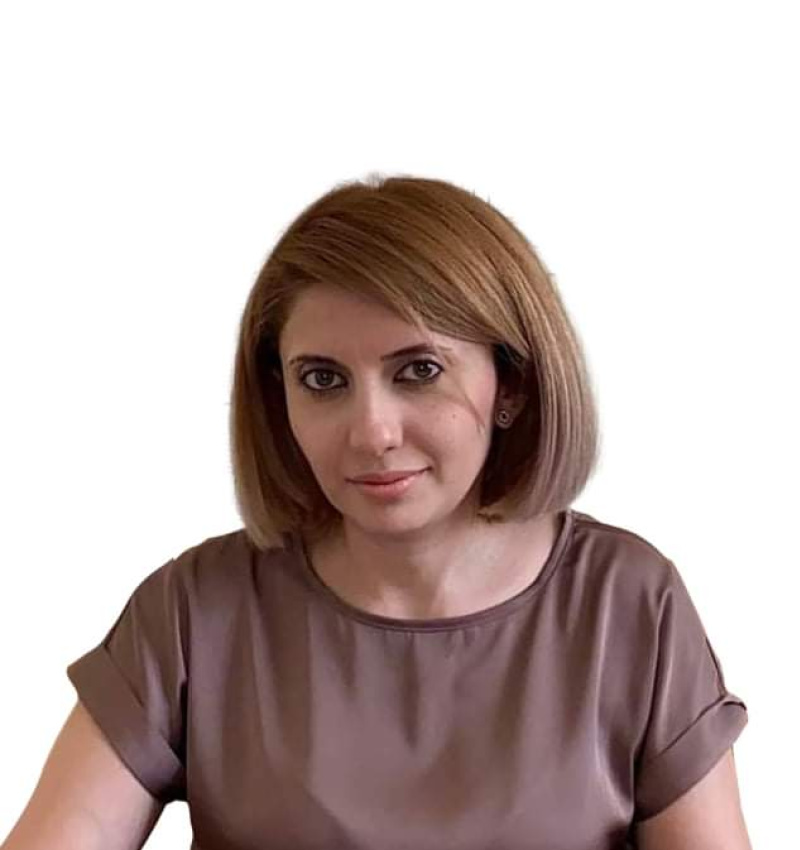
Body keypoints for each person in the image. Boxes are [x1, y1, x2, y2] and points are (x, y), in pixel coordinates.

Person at [2, 175, 752, 849]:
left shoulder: (630, 604)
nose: (372, 433)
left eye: (418, 371)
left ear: (512, 385)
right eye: (323, 380)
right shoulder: (194, 611)